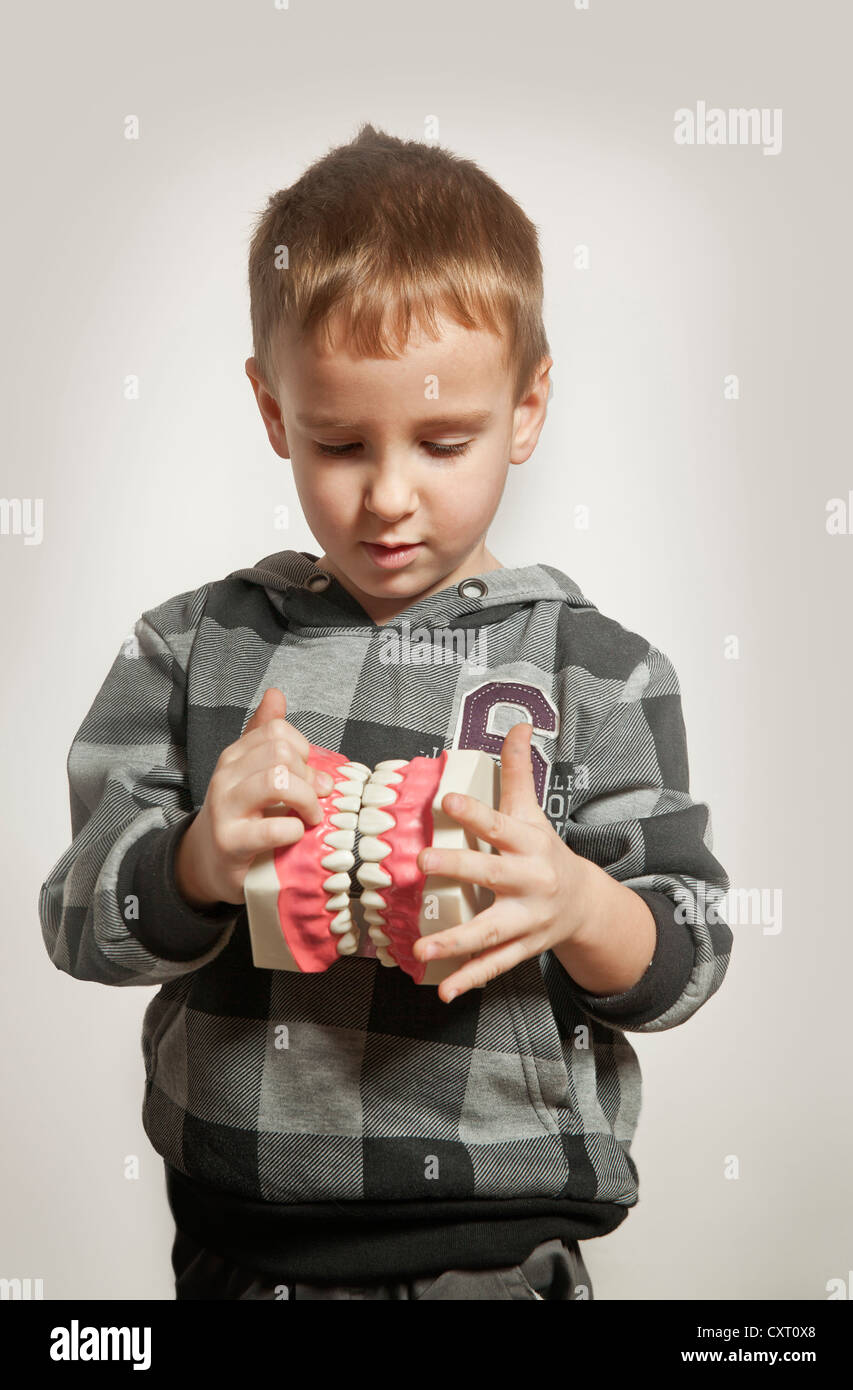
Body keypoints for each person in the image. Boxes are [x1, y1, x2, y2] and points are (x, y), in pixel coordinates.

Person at [38, 123, 733, 1300]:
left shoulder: (595, 671)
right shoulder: (192, 646)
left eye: (444, 440)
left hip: (497, 1249)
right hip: (246, 1249)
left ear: (526, 409)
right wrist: (199, 861)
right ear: (272, 413)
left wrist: (574, 900)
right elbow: (75, 914)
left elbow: (688, 949)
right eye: (339, 442)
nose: (390, 498)